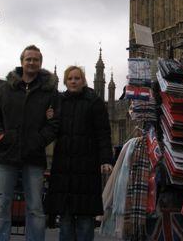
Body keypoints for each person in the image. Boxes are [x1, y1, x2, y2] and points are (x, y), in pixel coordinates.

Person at [0, 45, 59, 241]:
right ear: (22, 61)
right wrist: (0, 137)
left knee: (35, 207)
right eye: (28, 59)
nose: (32, 62)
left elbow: (54, 124)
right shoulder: (5, 89)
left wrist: (38, 140)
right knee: (0, 204)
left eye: (35, 59)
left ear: (40, 63)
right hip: (6, 155)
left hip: (34, 157)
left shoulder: (49, 93)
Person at [45, 65, 113, 241]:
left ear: (83, 80)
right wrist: (49, 118)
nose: (74, 81)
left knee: (84, 219)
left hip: (86, 167)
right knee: (66, 219)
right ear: (65, 81)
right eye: (70, 78)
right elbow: (52, 130)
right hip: (64, 167)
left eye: (77, 78)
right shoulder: (59, 101)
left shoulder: (94, 101)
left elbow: (103, 132)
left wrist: (105, 159)